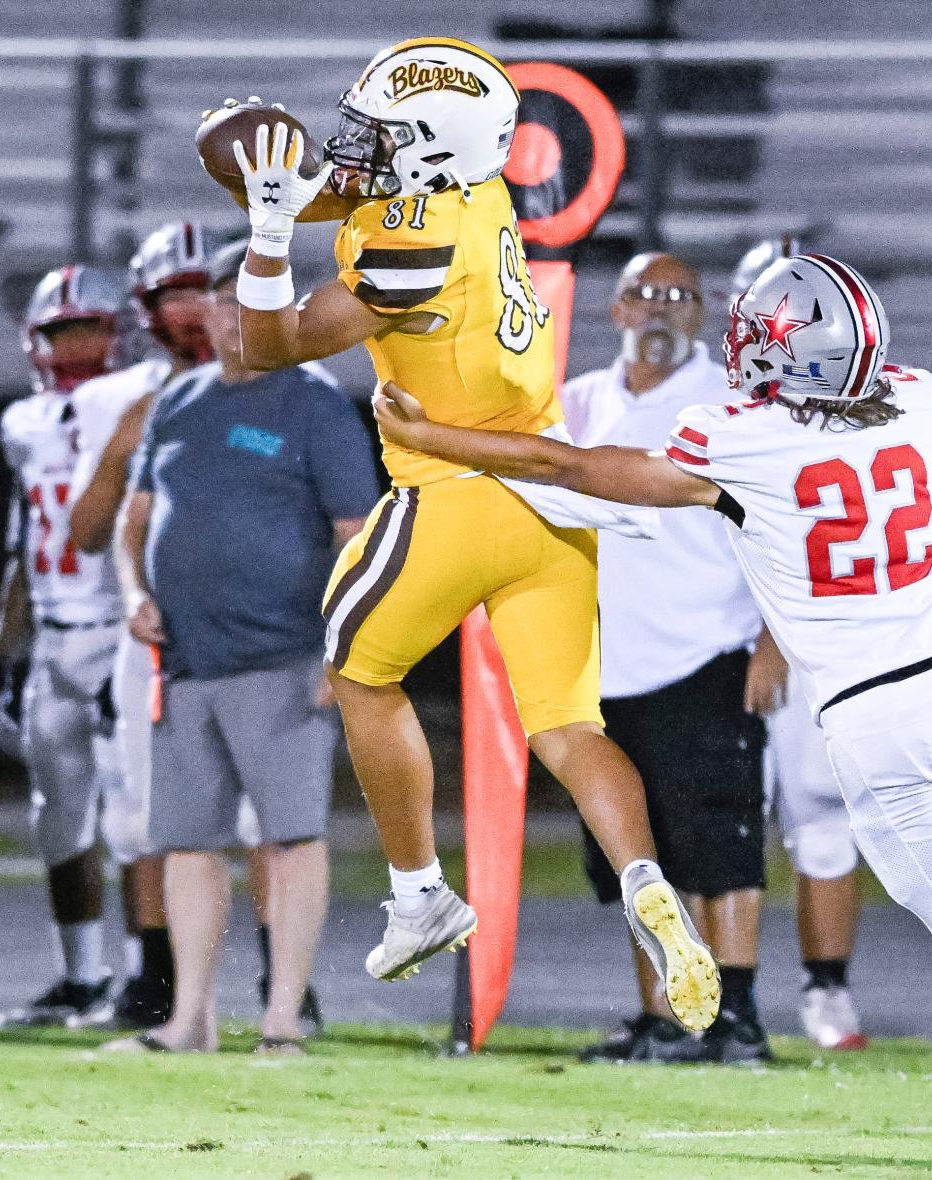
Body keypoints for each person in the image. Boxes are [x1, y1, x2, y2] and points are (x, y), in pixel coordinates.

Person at [221, 37, 720, 1032]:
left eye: (384, 132)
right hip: (550, 509)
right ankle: (646, 876)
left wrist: (269, 237)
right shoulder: (480, 193)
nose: (361, 145)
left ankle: (421, 894)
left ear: (429, 148)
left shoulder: (406, 247)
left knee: (359, 671)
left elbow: (259, 345)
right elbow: (360, 185)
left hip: (453, 491)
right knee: (572, 731)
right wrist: (270, 177)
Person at [374, 252, 932, 973]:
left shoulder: (744, 440)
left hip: (876, 719)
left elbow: (570, 468)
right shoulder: (923, 400)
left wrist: (430, 440)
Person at [117, 240, 378, 1052]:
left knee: (290, 837)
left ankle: (281, 1019)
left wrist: (345, 646)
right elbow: (135, 523)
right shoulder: (181, 399)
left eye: (252, 302)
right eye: (224, 300)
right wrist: (135, 596)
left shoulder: (316, 403)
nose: (233, 315)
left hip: (283, 656)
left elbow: (358, 534)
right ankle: (189, 1018)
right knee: (187, 845)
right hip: (186, 662)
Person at [564, 253, 785, 1064]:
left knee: (720, 842)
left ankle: (738, 1019)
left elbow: (776, 530)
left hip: (707, 649)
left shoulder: (734, 407)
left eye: (679, 296)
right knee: (636, 852)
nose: (660, 309)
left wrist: (771, 640)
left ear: (703, 315)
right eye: (643, 295)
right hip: (599, 664)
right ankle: (666, 1017)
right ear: (616, 310)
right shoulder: (577, 401)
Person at [68, 222, 276, 1030]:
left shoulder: (286, 386)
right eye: (176, 294)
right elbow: (86, 533)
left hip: (258, 630)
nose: (194, 312)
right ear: (146, 309)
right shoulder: (111, 403)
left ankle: (282, 988)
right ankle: (157, 985)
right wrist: (123, 455)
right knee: (147, 814)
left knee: (268, 816)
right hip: (152, 634)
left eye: (206, 292)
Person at [734, 237, 867, 1050]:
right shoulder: (702, 400)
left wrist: (774, 635)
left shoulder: (858, 410)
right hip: (700, 644)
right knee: (720, 825)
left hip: (815, 641)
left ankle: (825, 990)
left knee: (826, 818)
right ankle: (721, 996)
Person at [0, 265, 128, 1027]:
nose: (73, 345)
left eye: (88, 328)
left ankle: (147, 982)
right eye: (58, 331)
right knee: (58, 818)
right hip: (55, 637)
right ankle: (82, 977)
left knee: (136, 820)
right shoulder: (24, 424)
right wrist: (2, 652)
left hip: (119, 631)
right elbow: (23, 542)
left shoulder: (139, 403)